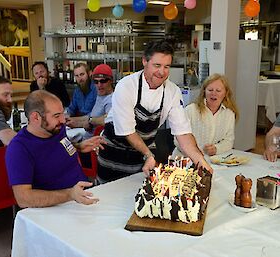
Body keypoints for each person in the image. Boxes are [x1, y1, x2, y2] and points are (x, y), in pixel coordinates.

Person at [97, 40, 212, 183]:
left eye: (167, 66)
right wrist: (148, 154)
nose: (162, 72)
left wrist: (200, 160)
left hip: (144, 159)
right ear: (144, 61)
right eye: (157, 65)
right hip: (115, 154)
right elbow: (128, 131)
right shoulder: (126, 86)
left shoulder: (172, 91)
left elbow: (183, 133)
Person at [5, 90, 104, 208]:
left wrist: (78, 146)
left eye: (62, 113)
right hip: (55, 208)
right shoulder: (19, 148)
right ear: (35, 117)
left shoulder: (56, 130)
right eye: (56, 116)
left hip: (83, 195)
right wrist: (70, 194)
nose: (63, 120)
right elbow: (24, 199)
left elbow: (55, 148)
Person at [173, 73, 239, 157]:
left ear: (225, 93)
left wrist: (216, 149)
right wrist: (195, 152)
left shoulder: (229, 114)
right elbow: (177, 140)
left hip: (213, 160)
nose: (213, 94)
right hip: (185, 159)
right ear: (204, 92)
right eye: (210, 90)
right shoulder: (191, 110)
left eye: (218, 91)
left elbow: (229, 141)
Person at [66, 64, 113, 140]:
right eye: (96, 82)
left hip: (93, 143)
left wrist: (88, 121)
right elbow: (90, 116)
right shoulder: (100, 95)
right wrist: (72, 120)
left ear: (111, 81)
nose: (99, 85)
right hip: (85, 136)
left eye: (103, 81)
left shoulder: (111, 99)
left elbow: (109, 119)